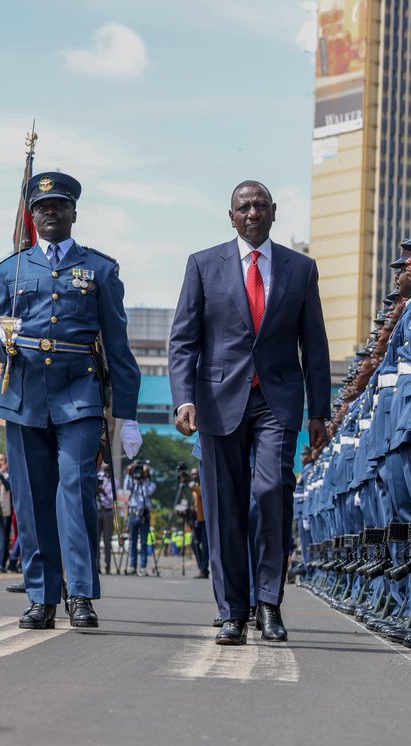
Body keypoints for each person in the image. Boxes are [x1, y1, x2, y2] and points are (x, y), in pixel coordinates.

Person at [168, 180, 330, 646]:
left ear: (274, 211)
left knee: (272, 490)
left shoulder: (301, 269)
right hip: (218, 403)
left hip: (277, 400)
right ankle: (233, 611)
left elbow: (314, 344)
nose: (253, 212)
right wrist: (184, 399)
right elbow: (183, 340)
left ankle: (269, 604)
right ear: (231, 215)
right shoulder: (203, 265)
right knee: (224, 508)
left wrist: (319, 410)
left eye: (260, 205)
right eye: (244, 207)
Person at [0, 171, 143, 629]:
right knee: (31, 500)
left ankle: (82, 595)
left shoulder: (101, 270)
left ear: (74, 213)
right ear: (32, 216)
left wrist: (126, 416)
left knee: (75, 494)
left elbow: (118, 347)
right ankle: (41, 597)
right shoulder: (10, 269)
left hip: (79, 396)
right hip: (24, 396)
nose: (50, 213)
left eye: (59, 207)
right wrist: (2, 341)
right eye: (42, 208)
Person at [124, 461, 156, 576]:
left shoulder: (150, 484)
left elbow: (147, 492)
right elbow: (126, 487)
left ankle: (142, 567)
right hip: (133, 515)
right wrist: (129, 472)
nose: (140, 473)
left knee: (143, 542)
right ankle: (132, 566)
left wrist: (145, 477)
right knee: (132, 542)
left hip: (144, 515)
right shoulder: (133, 482)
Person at [97, 464, 116, 574]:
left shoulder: (114, 482)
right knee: (96, 540)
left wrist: (103, 492)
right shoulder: (99, 478)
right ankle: (97, 565)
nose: (106, 471)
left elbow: (113, 500)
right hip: (98, 509)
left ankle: (107, 565)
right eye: (104, 469)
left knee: (107, 540)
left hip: (108, 511)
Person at [190, 467, 208, 579]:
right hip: (196, 520)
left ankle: (204, 570)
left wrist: (192, 485)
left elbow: (203, 493)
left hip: (205, 521)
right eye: (192, 475)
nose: (194, 476)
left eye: (196, 474)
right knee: (194, 543)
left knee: (206, 547)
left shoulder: (204, 484)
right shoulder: (193, 489)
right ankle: (202, 567)